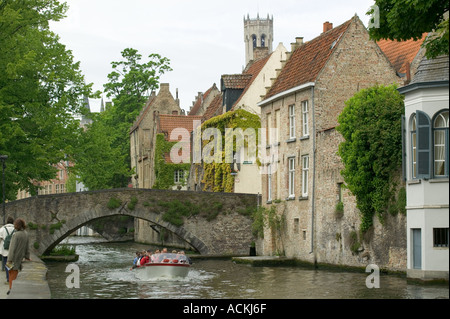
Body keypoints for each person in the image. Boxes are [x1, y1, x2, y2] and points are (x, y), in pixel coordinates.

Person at [6, 218, 30, 295]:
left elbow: (12, 248)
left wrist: (9, 259)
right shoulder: (25, 234)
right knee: (14, 273)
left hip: (12, 258)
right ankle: (12, 288)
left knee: (11, 273)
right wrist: (27, 256)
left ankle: (11, 289)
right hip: (20, 257)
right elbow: (27, 247)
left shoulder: (15, 235)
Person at [0, 217, 15, 284]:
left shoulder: (2, 229)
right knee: (11, 264)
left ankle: (8, 278)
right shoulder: (15, 229)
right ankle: (12, 277)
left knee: (6, 263)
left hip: (4, 249)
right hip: (12, 249)